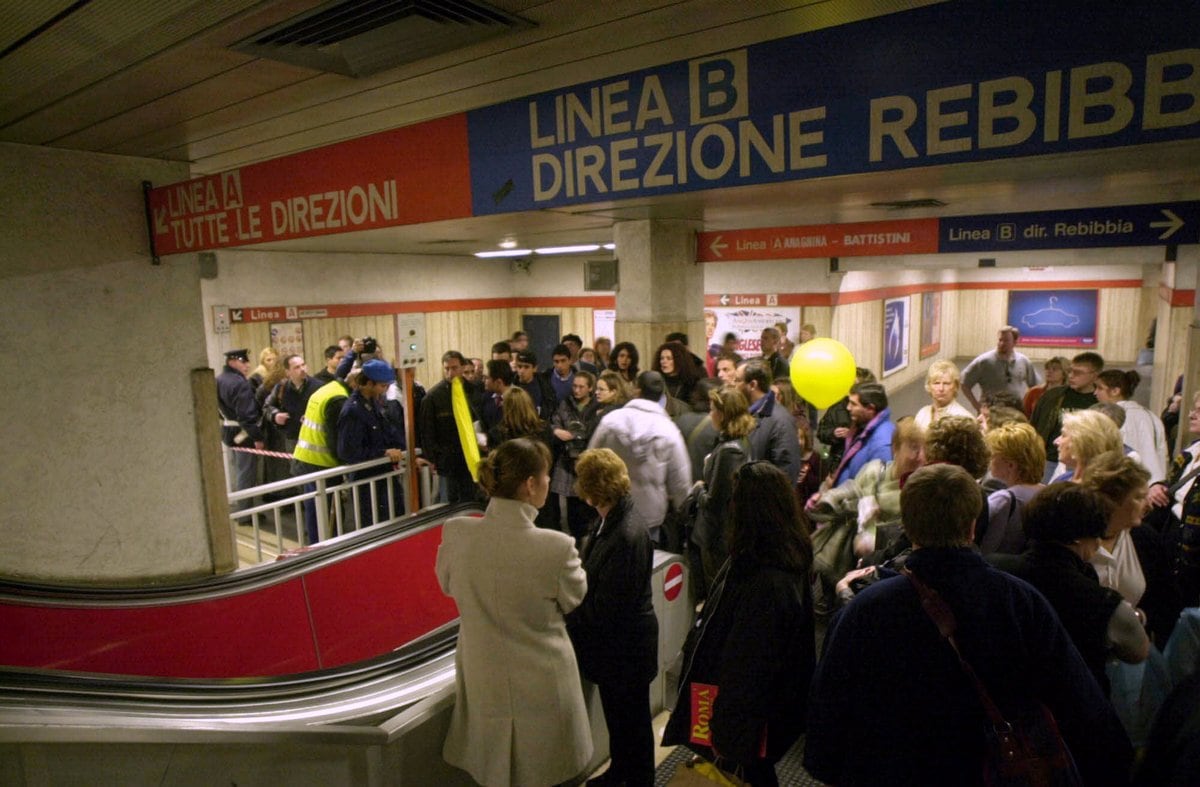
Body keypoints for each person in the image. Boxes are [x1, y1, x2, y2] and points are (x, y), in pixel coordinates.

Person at [804, 463, 1133, 787]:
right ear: (973, 525)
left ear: (908, 524)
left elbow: (829, 713)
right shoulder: (1020, 602)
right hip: (988, 769)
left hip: (888, 771)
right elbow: (1078, 700)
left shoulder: (866, 609)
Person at [436, 438, 592, 787]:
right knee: (548, 771)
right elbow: (575, 598)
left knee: (491, 770)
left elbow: (447, 585)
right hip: (544, 682)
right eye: (547, 476)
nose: (550, 482)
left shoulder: (457, 532)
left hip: (482, 674)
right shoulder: (556, 548)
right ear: (530, 485)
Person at [663, 461, 815, 787]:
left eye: (735, 498)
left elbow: (748, 663)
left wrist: (726, 729)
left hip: (747, 716)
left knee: (746, 773)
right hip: (770, 709)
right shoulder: (782, 555)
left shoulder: (765, 579)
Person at [989, 482, 1149, 693]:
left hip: (998, 698)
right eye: (1096, 533)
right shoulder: (1101, 602)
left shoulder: (993, 569)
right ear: (1078, 537)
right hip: (1068, 710)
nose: (1098, 542)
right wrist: (1138, 616)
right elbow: (1138, 651)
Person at [567, 449, 658, 787]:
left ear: (592, 490)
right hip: (622, 648)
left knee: (631, 723)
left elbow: (611, 605)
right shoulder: (615, 519)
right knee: (621, 722)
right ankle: (621, 773)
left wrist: (570, 612)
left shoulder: (625, 534)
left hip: (625, 649)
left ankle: (638, 780)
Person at [1082, 451, 1184, 647]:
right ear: (1111, 500)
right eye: (1138, 497)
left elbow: (1166, 602)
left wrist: (1139, 618)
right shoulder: (1075, 539)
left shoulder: (1145, 539)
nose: (1148, 505)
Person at [588, 371, 691, 546]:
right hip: (650, 515)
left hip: (612, 508)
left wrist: (592, 498)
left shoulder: (610, 421)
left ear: (637, 390)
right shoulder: (668, 429)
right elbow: (680, 480)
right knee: (647, 562)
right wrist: (683, 511)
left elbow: (590, 462)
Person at [807, 417, 925, 559]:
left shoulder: (920, 490)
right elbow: (843, 499)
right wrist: (824, 500)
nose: (920, 456)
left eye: (923, 449)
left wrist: (874, 541)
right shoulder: (874, 471)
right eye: (913, 447)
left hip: (884, 566)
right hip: (848, 559)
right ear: (895, 448)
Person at [690, 387, 756, 593]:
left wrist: (698, 489)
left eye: (712, 409)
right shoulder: (737, 442)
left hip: (716, 536)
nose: (710, 414)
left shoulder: (730, 451)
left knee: (717, 588)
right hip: (722, 532)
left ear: (723, 414)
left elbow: (714, 502)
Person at [337, 360, 406, 527]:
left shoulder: (374, 403)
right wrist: (382, 453)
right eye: (383, 386)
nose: (386, 390)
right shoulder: (353, 411)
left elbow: (386, 432)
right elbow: (347, 452)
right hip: (366, 481)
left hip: (383, 475)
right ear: (368, 383)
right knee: (373, 526)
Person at [419, 351, 482, 504]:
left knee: (472, 501)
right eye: (446, 369)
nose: (450, 372)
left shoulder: (473, 391)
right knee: (449, 503)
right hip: (447, 460)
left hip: (472, 458)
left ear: (462, 368)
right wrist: (434, 458)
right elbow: (427, 431)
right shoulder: (433, 397)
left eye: (454, 368)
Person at [1031, 350, 1104, 481]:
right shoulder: (1052, 396)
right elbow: (1035, 425)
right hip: (1050, 458)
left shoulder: (1100, 401)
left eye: (1078, 373)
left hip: (1084, 461)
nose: (1071, 376)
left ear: (1095, 375)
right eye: (1070, 371)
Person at [978, 421, 1045, 555]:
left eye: (993, 456)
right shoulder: (1047, 492)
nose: (989, 461)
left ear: (1010, 465)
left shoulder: (1004, 499)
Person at [550, 371, 601, 540]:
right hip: (568, 461)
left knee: (589, 507)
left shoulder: (597, 407)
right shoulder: (566, 403)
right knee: (571, 509)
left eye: (581, 387)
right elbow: (556, 421)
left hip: (589, 462)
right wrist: (557, 430)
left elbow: (590, 431)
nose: (577, 390)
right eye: (574, 386)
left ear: (590, 388)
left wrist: (578, 435)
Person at [1096, 368, 1169, 483]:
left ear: (1115, 391)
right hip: (1155, 482)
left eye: (1100, 388)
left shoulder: (1118, 418)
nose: (1095, 392)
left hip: (1132, 483)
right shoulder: (1151, 415)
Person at [736, 359, 801, 483]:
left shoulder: (781, 421)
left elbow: (787, 473)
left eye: (738, 381)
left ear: (752, 385)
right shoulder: (744, 414)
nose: (734, 386)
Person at [216, 348, 264, 509]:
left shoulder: (219, 379)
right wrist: (257, 437)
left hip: (228, 429)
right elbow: (247, 415)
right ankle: (245, 512)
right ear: (232, 362)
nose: (248, 365)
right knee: (246, 472)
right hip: (243, 432)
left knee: (236, 469)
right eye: (243, 361)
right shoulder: (239, 383)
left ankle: (239, 505)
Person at [961, 325, 1041, 412]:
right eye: (1000, 340)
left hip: (1016, 412)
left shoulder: (1023, 361)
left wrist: (1030, 406)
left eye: (1006, 340)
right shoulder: (984, 361)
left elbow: (1035, 386)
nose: (1002, 343)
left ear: (1015, 342)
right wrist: (977, 406)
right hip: (991, 412)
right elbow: (964, 384)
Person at [828, 382, 894, 487]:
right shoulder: (861, 426)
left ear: (870, 409)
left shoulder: (882, 446)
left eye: (853, 404)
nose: (848, 408)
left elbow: (876, 491)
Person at [1054, 408, 1123, 483]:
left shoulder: (1100, 491)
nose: (1056, 442)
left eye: (1064, 435)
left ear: (1081, 444)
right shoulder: (1063, 479)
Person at [914, 359, 972, 429]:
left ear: (956, 386)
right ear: (929, 386)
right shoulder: (922, 414)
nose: (941, 388)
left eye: (946, 383)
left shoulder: (964, 419)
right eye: (936, 383)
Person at [514, 349, 557, 420]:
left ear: (535, 368)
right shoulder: (511, 386)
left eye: (526, 367)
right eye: (519, 366)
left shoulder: (544, 386)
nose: (522, 371)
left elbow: (550, 408)